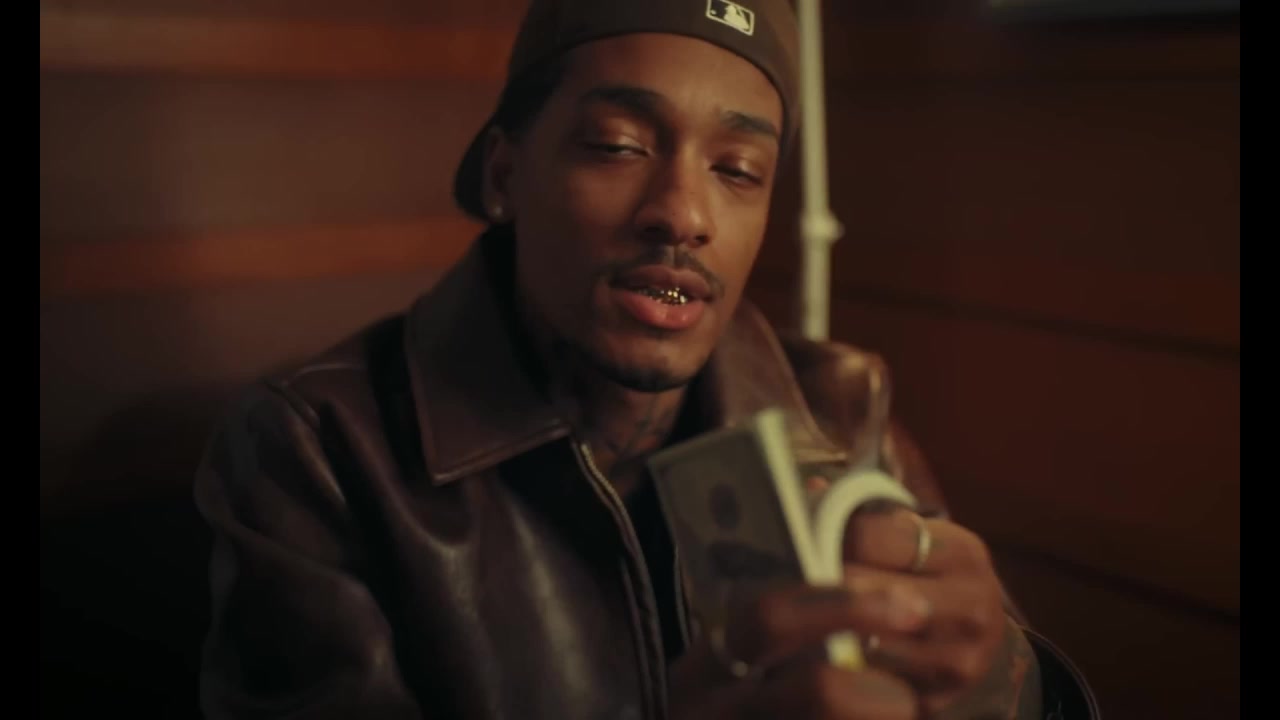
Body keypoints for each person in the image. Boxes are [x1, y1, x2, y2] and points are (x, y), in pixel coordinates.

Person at [193, 0, 1098, 717]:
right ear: (506, 176)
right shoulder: (318, 450)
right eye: (618, 146)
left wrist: (1005, 688)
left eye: (738, 170)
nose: (683, 214)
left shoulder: (842, 408)